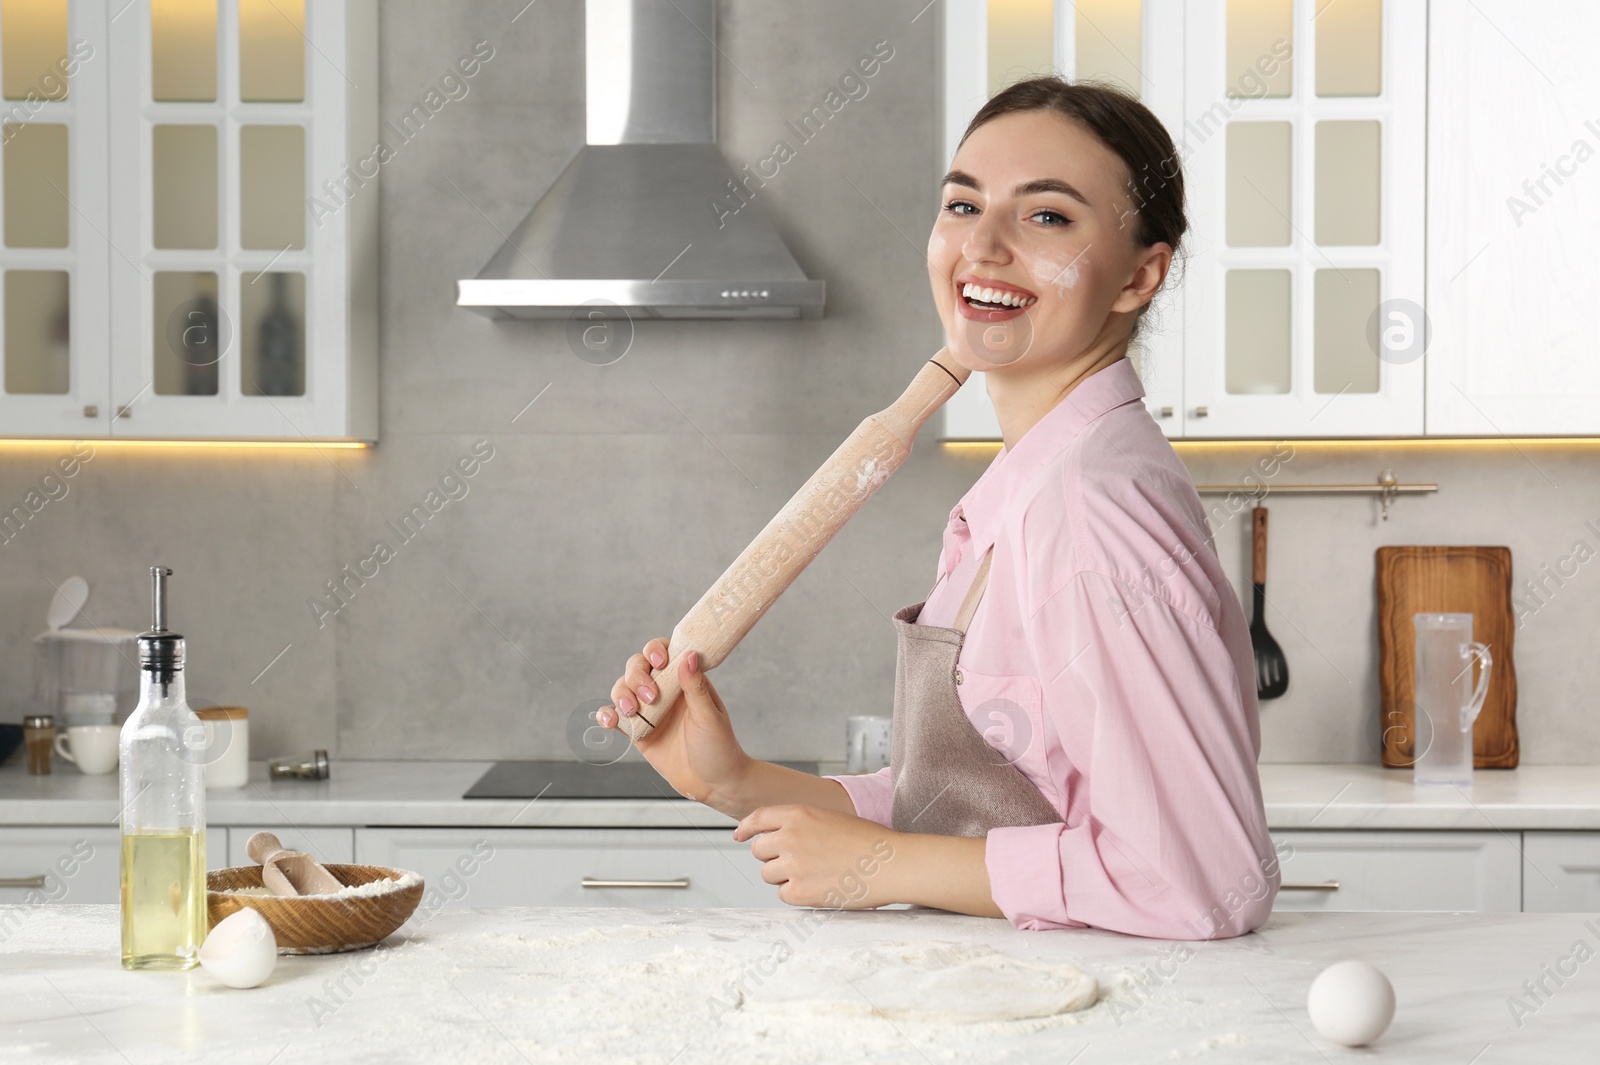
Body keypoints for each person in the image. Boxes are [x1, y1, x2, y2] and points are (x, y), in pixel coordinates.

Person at [595, 76, 1278, 940]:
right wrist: (731, 778)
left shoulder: (1094, 509)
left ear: (1139, 276)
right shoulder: (1028, 486)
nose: (982, 247)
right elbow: (970, 805)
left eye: (1047, 217)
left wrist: (884, 869)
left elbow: (1206, 878)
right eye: (962, 204)